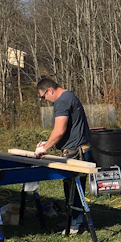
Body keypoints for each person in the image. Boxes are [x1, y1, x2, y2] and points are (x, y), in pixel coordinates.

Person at [36, 77, 91, 233]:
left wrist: (44, 148)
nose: (45, 100)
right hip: (79, 149)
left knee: (74, 190)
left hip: (75, 152)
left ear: (50, 90)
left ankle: (76, 225)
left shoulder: (62, 101)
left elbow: (59, 130)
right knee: (71, 188)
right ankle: (72, 221)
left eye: (43, 96)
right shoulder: (70, 96)